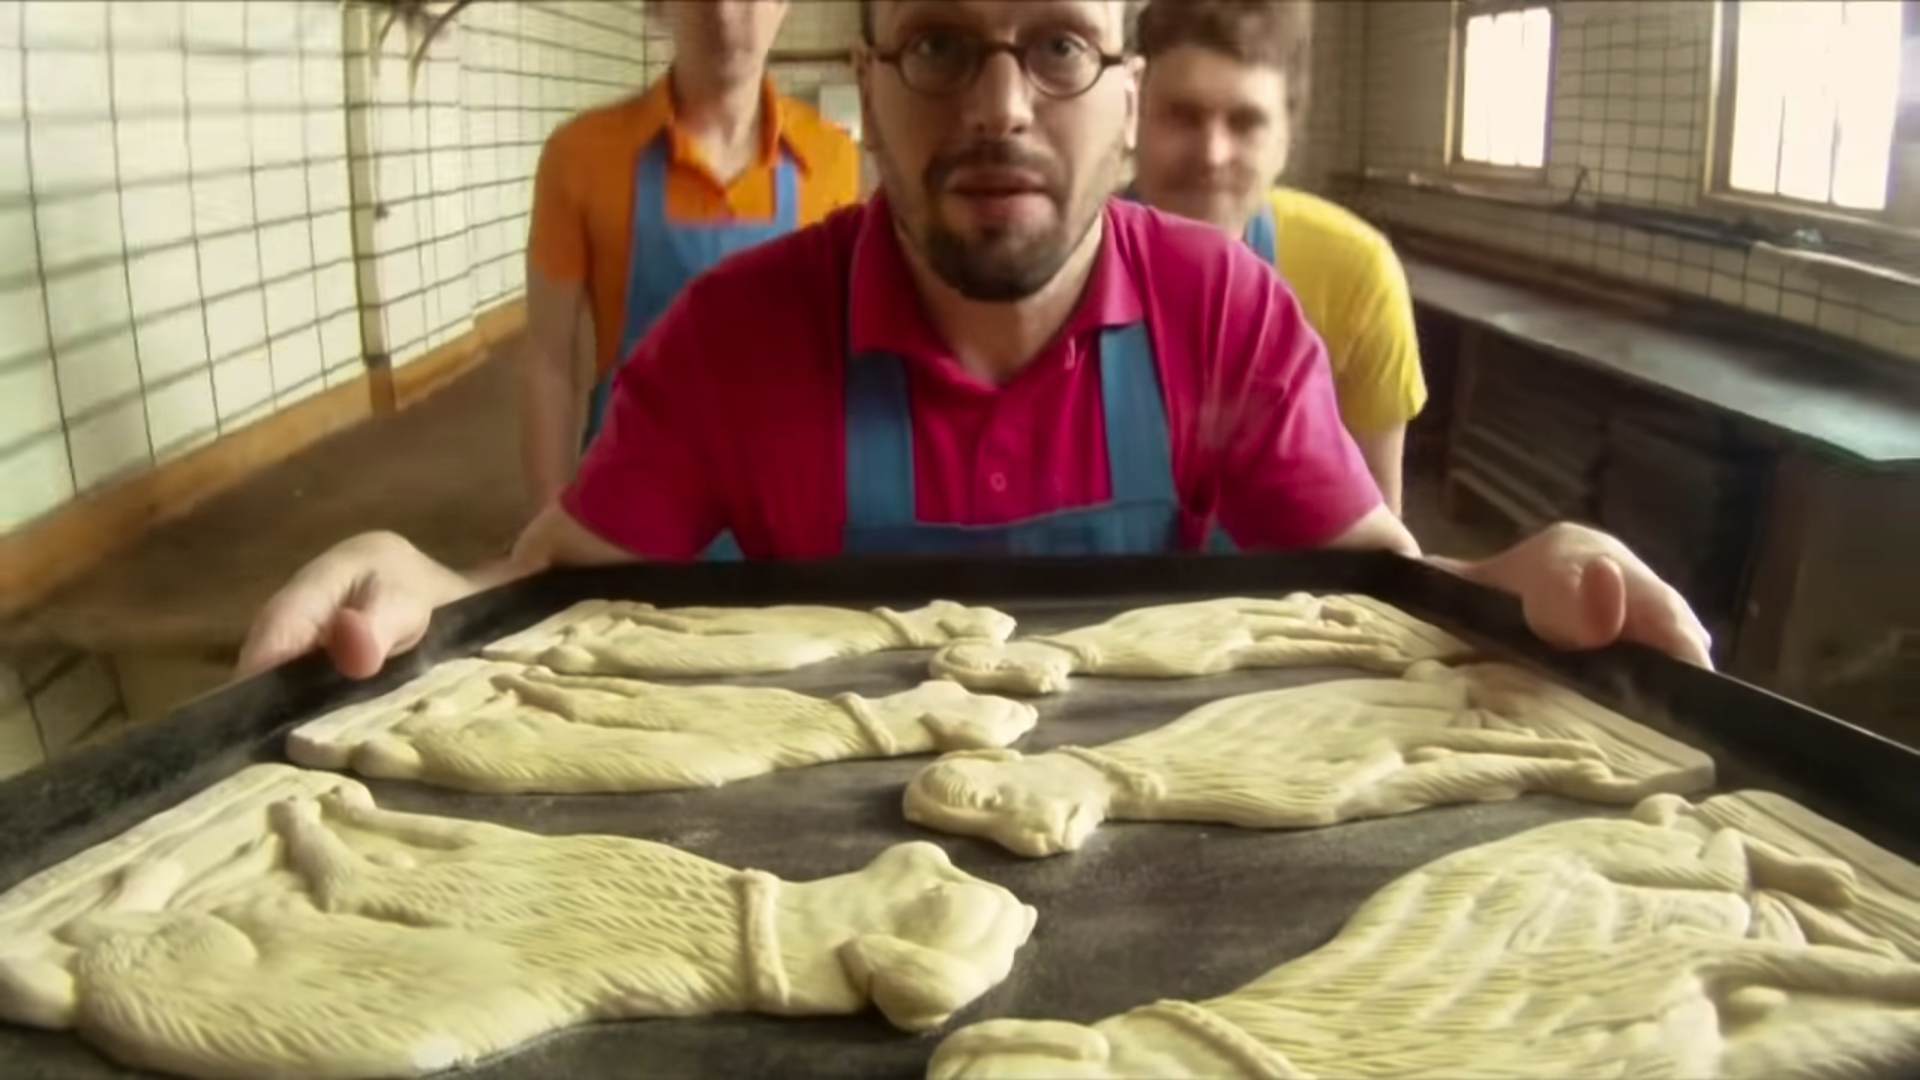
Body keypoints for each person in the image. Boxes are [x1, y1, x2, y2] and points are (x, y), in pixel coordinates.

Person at [240, 0, 1710, 681]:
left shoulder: (1228, 316)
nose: (1000, 107)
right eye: (941, 45)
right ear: (868, 86)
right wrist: (428, 586)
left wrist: (1508, 582)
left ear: (1124, 94)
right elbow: (550, 591)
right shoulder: (735, 338)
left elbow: (1376, 590)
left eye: (1059, 46)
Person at [520, 0, 861, 510]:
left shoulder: (831, 158)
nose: (725, 13)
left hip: (781, 507)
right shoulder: (581, 156)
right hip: (628, 504)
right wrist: (551, 518)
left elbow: (844, 355)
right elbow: (550, 357)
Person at [1132, 0, 1423, 513]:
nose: (1211, 154)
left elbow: (1378, 538)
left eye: (1245, 122)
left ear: (1287, 138)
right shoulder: (1060, 268)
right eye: (1182, 116)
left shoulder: (1354, 277)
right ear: (1131, 115)